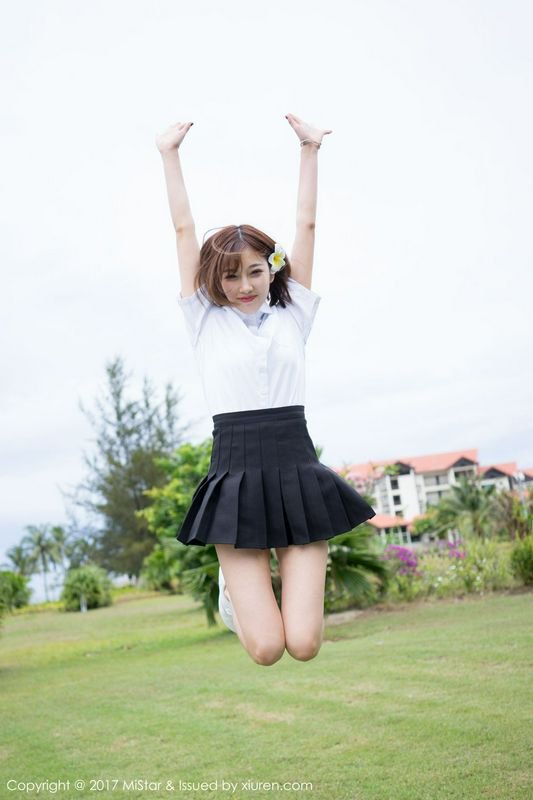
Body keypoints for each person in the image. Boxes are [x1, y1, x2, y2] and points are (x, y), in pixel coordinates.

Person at [156, 113, 376, 667]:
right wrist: (169, 155)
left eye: (255, 271)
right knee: (267, 649)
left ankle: (274, 587)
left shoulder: (293, 312)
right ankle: (234, 596)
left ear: (271, 270)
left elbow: (307, 226)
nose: (244, 285)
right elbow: (184, 230)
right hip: (234, 475)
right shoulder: (204, 319)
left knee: (303, 644)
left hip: (296, 469)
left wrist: (310, 150)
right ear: (214, 278)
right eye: (231, 276)